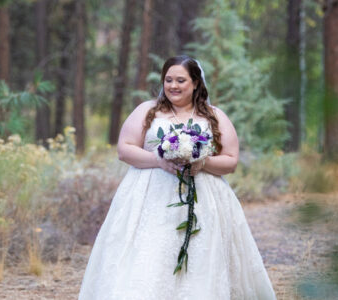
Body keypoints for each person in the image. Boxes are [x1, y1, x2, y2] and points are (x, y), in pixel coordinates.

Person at [78, 55, 277, 300]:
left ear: (195, 83)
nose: (173, 85)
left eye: (181, 80)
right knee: (150, 255)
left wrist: (202, 162)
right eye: (168, 80)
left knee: (200, 255)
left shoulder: (214, 116)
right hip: (149, 196)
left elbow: (231, 160)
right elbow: (124, 149)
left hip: (204, 198)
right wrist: (159, 160)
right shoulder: (147, 111)